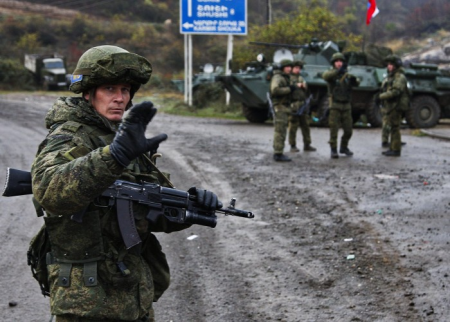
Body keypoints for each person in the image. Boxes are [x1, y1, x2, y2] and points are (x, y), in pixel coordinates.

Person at [30, 45, 221, 321]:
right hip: (87, 301)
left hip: (132, 293)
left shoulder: (123, 139)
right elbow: (49, 190)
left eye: (125, 90)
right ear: (88, 92)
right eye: (110, 89)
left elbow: (151, 213)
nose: (120, 98)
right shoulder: (70, 135)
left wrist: (190, 206)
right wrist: (115, 156)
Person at [322, 53, 359, 159]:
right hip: (335, 105)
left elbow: (357, 82)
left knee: (348, 130)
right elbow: (325, 76)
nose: (339, 63)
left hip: (346, 105)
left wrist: (354, 81)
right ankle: (333, 149)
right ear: (333, 63)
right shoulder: (331, 73)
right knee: (334, 129)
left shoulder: (346, 75)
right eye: (337, 61)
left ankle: (344, 147)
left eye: (340, 61)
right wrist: (338, 71)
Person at [379, 54, 409, 157]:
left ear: (396, 66)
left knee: (395, 128)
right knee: (392, 127)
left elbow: (396, 91)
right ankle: (392, 148)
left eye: (391, 64)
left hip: (397, 105)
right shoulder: (391, 76)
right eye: (388, 64)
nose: (389, 66)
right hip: (391, 105)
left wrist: (381, 96)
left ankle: (396, 149)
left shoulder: (399, 77)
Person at [288, 60, 316, 153]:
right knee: (293, 125)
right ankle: (293, 145)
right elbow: (287, 87)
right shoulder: (289, 78)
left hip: (303, 103)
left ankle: (307, 144)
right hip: (294, 104)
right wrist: (296, 85)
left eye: (299, 68)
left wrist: (303, 85)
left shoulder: (300, 77)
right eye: (296, 68)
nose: (298, 70)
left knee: (305, 125)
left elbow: (306, 86)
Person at [270, 59, 295, 162]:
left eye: (290, 67)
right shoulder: (278, 77)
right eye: (287, 67)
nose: (289, 69)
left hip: (284, 106)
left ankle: (278, 151)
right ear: (282, 68)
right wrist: (289, 89)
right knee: (280, 130)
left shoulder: (285, 78)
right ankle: (278, 153)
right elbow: (275, 90)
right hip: (280, 107)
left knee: (282, 130)